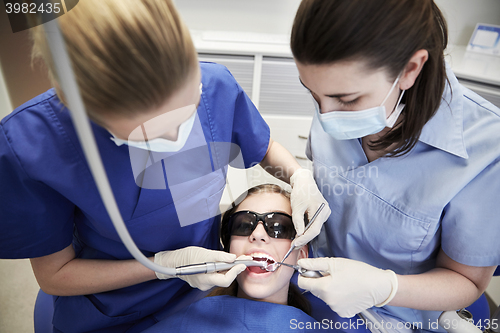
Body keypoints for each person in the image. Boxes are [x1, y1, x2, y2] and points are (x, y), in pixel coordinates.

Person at [0, 0, 330, 332]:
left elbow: (263, 146)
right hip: (112, 308)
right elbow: (55, 276)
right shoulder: (35, 146)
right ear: (86, 111)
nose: (177, 137)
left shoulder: (215, 85)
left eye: (190, 106)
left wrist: (298, 175)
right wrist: (161, 267)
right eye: (151, 133)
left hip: (203, 290)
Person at [288, 0, 500, 331]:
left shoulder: (486, 151)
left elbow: (467, 282)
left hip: (400, 317)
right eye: (314, 96)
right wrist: (304, 180)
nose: (326, 116)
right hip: (312, 290)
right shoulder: (335, 91)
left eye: (347, 100)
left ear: (410, 69)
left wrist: (384, 287)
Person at [142, 184, 322, 333]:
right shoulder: (184, 324)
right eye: (243, 225)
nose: (257, 234)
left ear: (302, 255)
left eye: (278, 227)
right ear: (228, 249)